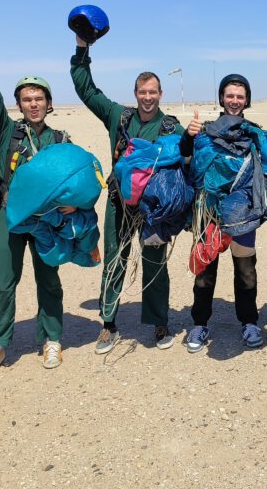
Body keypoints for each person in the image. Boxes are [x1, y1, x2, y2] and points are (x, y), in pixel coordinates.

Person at [0, 24, 71, 377]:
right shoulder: (8, 131)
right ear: (19, 104)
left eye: (39, 98)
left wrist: (73, 205)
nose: (33, 104)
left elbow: (75, 180)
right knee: (3, 283)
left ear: (49, 104)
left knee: (49, 280)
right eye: (26, 99)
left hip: (47, 222)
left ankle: (52, 338)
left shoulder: (60, 140)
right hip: (10, 216)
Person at [70, 35, 184, 353]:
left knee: (155, 263)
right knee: (114, 260)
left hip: (154, 211)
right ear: (135, 93)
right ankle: (108, 324)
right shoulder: (118, 116)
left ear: (160, 94)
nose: (147, 97)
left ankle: (159, 323)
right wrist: (81, 50)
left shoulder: (170, 127)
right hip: (119, 203)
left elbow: (190, 156)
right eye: (142, 92)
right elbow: (86, 90)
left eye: (153, 92)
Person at [181, 74, 266, 352]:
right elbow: (186, 158)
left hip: (242, 213)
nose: (234, 101)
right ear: (221, 98)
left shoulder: (253, 132)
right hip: (208, 212)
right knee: (205, 271)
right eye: (230, 95)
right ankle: (199, 324)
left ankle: (249, 322)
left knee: (246, 271)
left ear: (247, 100)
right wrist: (187, 135)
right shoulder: (204, 131)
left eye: (240, 96)